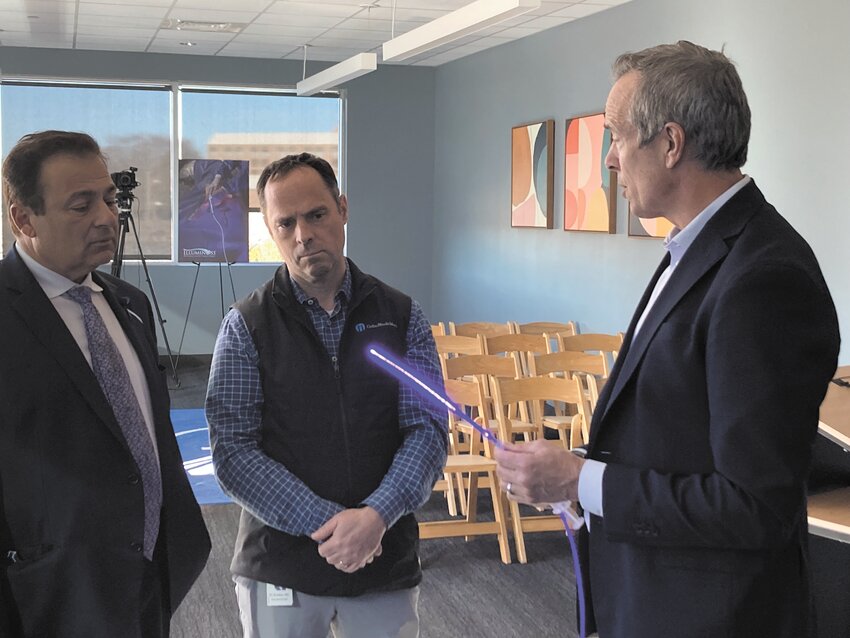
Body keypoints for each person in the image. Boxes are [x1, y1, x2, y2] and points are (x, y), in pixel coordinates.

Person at [494, 41, 840, 637]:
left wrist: (580, 482)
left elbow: (754, 506)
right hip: (655, 600)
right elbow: (679, 436)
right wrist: (586, 467)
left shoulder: (763, 277)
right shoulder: (696, 249)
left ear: (671, 144)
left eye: (616, 137)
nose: (608, 160)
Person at [206, 152, 447, 638]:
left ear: (342, 209)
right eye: (286, 223)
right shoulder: (245, 326)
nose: (303, 235)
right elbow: (233, 453)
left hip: (384, 561)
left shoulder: (402, 317)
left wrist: (376, 517)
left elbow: (427, 431)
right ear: (270, 231)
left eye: (316, 215)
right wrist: (335, 526)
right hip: (281, 564)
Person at [0, 130, 211, 638]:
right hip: (50, 596)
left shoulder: (129, 303)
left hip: (150, 574)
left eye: (109, 199)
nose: (106, 217)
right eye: (81, 205)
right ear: (24, 218)